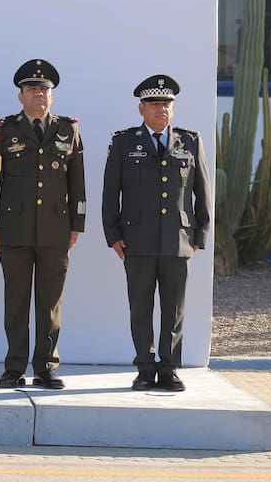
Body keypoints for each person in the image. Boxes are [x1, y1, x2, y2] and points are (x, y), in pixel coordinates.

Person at [0, 59, 84, 390]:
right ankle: (14, 368)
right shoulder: (3, 131)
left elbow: (77, 183)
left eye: (44, 89)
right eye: (32, 89)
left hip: (56, 230)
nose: (39, 93)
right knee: (17, 302)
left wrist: (77, 224)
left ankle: (46, 366)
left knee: (50, 303)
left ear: (51, 96)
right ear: (20, 96)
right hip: (14, 230)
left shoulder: (69, 130)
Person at [102, 74, 211, 393]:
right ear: (141, 109)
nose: (161, 109)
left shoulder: (190, 141)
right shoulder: (124, 142)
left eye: (166, 103)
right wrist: (113, 233)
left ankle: (169, 368)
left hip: (178, 239)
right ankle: (145, 367)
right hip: (137, 238)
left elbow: (203, 192)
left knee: (174, 308)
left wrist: (200, 234)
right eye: (154, 104)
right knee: (141, 306)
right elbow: (111, 192)